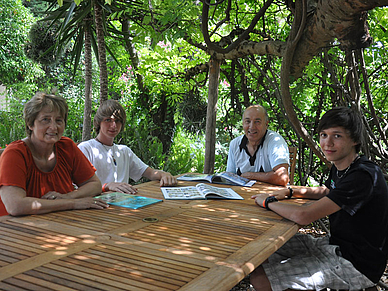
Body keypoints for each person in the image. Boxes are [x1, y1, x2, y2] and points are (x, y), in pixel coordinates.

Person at [250, 107, 388, 291]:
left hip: (357, 264)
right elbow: (328, 192)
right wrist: (291, 192)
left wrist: (267, 202)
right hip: (334, 245)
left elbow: (304, 216)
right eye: (323, 135)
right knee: (263, 246)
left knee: (260, 279)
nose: (327, 143)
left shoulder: (363, 175)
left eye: (337, 136)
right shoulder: (342, 166)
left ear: (354, 140)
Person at [0, 92, 108, 217]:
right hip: (14, 229)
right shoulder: (16, 153)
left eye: (58, 120)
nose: (53, 127)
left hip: (60, 222)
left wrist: (67, 197)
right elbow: (15, 206)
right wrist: (72, 203)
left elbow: (95, 185)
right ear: (30, 124)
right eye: (45, 119)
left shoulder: (66, 147)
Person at [78, 99, 177, 194]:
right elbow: (78, 187)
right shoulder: (86, 149)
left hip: (123, 205)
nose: (113, 125)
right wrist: (107, 186)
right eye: (108, 120)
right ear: (98, 122)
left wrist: (164, 174)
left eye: (117, 121)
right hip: (96, 206)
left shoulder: (124, 151)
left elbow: (150, 173)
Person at [226, 105, 290, 186]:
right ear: (243, 123)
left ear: (266, 124)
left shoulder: (275, 141)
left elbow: (282, 178)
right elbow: (229, 179)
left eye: (257, 122)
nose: (252, 127)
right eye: (248, 121)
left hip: (272, 196)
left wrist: (251, 176)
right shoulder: (235, 144)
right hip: (243, 195)